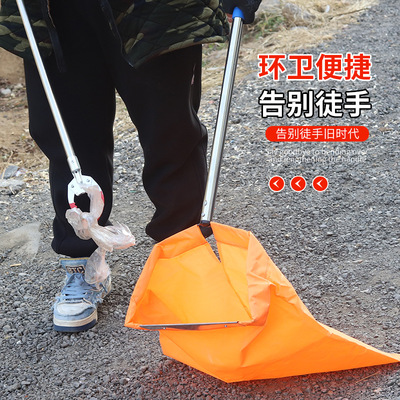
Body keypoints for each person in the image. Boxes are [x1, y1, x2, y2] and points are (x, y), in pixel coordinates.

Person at [0, 0, 261, 332]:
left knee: (170, 131)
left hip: (156, 9)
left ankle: (183, 262)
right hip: (56, 10)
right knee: (69, 136)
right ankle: (84, 264)